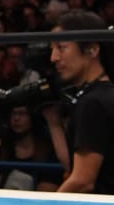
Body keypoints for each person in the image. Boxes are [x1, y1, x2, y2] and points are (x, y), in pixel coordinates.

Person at [42, 10, 112, 194]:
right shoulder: (101, 94)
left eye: (61, 47)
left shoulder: (93, 102)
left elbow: (82, 181)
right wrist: (54, 124)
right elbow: (77, 166)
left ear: (92, 50)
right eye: (52, 49)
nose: (54, 58)